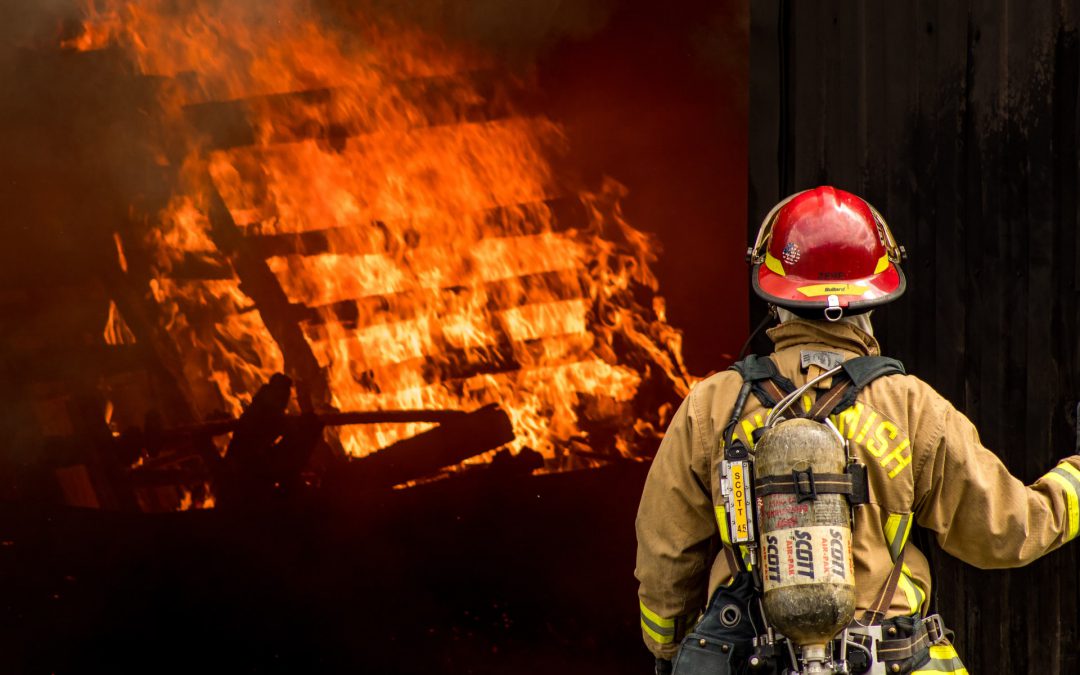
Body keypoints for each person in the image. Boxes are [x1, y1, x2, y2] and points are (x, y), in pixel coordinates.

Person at [635, 186, 1080, 674]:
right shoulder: (911, 407)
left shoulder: (713, 405)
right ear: (873, 300)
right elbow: (1007, 530)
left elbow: (665, 556)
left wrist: (672, 649)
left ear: (773, 297)